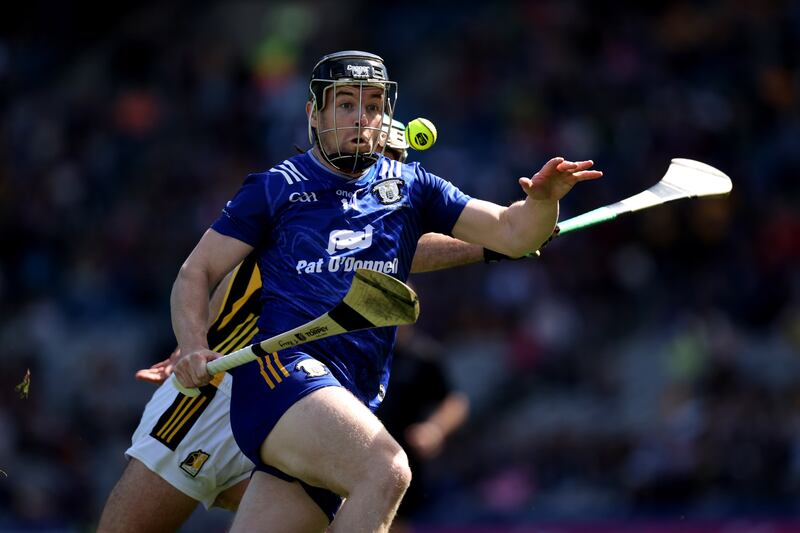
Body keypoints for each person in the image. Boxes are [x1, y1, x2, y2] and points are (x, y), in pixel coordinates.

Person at [171, 50, 601, 532]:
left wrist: (541, 202)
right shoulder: (276, 188)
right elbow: (196, 271)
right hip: (281, 376)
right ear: (315, 113)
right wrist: (193, 344)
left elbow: (513, 232)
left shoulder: (414, 186)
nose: (362, 118)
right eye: (347, 104)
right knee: (386, 470)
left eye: (373, 105)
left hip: (349, 396)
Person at [97, 118, 509, 532]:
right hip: (218, 393)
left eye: (400, 158)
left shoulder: (384, 219)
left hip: (302, 401)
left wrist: (507, 240)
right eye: (390, 155)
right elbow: (217, 280)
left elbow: (405, 249)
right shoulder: (296, 198)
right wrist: (191, 342)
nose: (396, 169)